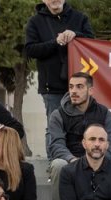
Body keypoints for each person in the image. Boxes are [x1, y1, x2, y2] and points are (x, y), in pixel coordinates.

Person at [47, 72, 111, 200]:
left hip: (97, 159)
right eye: (71, 87)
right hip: (69, 161)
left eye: (79, 87)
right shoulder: (58, 114)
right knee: (58, 165)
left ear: (90, 90)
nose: (73, 91)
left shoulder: (104, 114)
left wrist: (94, 161)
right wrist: (74, 161)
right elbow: (56, 145)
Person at [25, 0, 94, 131]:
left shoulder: (80, 18)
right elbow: (30, 50)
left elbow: (92, 44)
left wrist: (76, 35)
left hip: (80, 86)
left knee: (81, 128)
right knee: (55, 129)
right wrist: (55, 42)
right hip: (52, 88)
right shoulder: (35, 22)